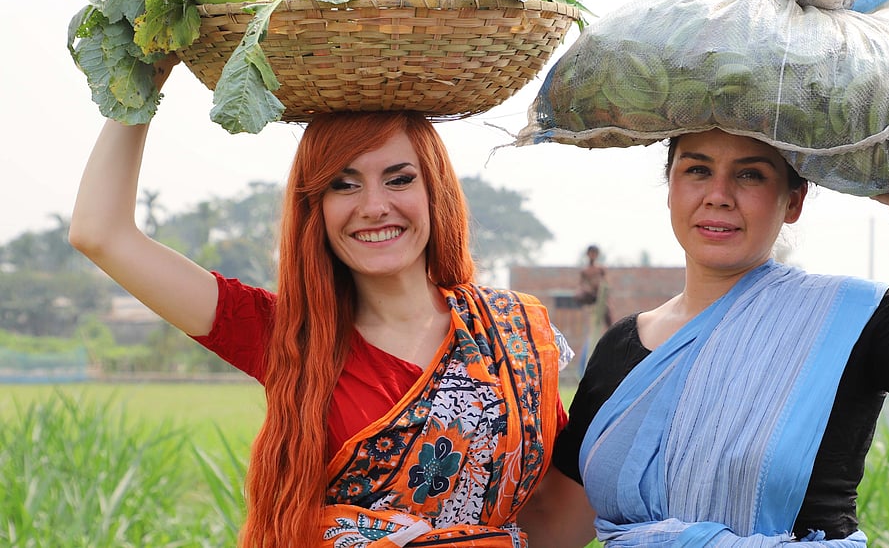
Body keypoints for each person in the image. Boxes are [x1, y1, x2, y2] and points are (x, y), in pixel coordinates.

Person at [69, 59, 569, 548]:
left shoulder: (511, 333)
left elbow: (552, 513)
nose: (373, 206)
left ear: (435, 191)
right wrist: (149, 71)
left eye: (399, 179)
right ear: (316, 208)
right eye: (343, 185)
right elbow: (101, 233)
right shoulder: (284, 335)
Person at [518, 108, 889, 546]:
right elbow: (552, 526)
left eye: (751, 175)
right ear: (671, 187)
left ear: (794, 201)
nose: (719, 194)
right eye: (697, 169)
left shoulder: (847, 323)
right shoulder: (624, 347)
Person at [576, 245, 612, 329]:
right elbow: (581, 284)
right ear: (587, 254)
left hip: (600, 294)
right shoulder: (585, 270)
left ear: (597, 255)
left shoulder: (600, 269)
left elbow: (606, 283)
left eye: (594, 253)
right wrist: (586, 289)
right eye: (591, 253)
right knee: (578, 295)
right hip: (590, 295)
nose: (592, 255)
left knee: (607, 313)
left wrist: (603, 290)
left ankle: (611, 331)